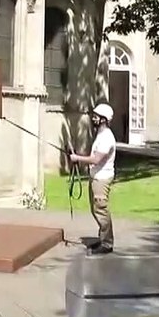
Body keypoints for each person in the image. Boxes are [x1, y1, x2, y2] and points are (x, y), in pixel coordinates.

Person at [70, 103, 117, 255]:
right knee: (95, 209)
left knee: (101, 210)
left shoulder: (106, 138)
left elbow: (96, 160)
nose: (93, 118)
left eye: (96, 116)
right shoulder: (101, 135)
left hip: (101, 179)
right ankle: (103, 238)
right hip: (96, 176)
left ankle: (107, 244)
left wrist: (77, 158)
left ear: (103, 119)